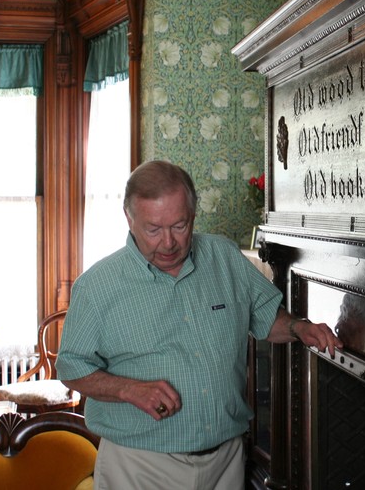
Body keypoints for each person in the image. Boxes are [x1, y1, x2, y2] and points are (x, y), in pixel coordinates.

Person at [56, 160, 342, 490]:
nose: (168, 243)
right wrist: (128, 389)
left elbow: (264, 317)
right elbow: (72, 368)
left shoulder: (224, 256)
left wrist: (297, 328)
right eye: (153, 229)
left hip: (225, 460)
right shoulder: (97, 286)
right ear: (129, 219)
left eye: (180, 226)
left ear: (193, 215)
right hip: (138, 465)